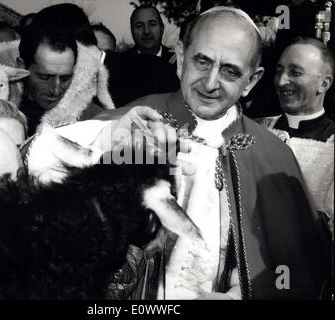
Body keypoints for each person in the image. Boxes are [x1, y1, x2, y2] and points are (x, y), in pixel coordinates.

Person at [72, 6, 330, 299]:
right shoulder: (126, 122)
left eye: (230, 71)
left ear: (252, 81)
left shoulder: (273, 157)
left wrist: (241, 295)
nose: (210, 83)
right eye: (202, 62)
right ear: (181, 59)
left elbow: (295, 272)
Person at [257, 37, 334, 239]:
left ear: (324, 83)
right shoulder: (254, 129)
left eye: (295, 73)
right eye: (279, 71)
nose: (282, 82)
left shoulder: (331, 147)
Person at [17, 4, 103, 136]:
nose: (56, 90)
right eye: (45, 77)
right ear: (21, 67)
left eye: (65, 78)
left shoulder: (93, 119)